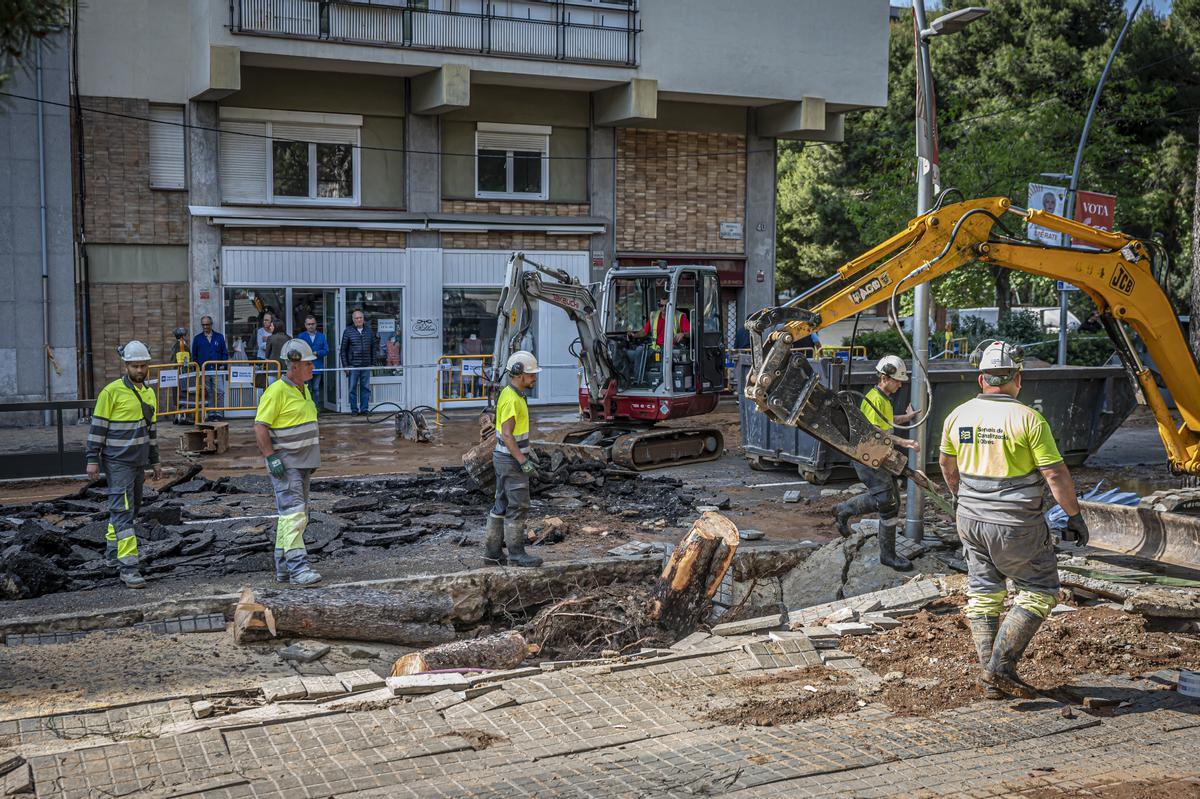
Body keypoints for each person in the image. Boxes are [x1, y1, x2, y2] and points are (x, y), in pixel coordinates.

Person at [939, 340, 1089, 700]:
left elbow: (947, 466)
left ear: (981, 379)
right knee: (1039, 589)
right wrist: (1074, 515)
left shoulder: (957, 415)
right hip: (1016, 523)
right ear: (1017, 378)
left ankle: (991, 682)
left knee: (984, 591)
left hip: (969, 519)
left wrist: (964, 499)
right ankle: (999, 669)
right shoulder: (1028, 419)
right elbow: (1054, 475)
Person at [85, 340, 161, 589]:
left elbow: (151, 431)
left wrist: (155, 461)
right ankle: (129, 568)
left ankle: (111, 553)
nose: (140, 370)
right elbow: (98, 429)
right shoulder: (111, 392)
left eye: (143, 366)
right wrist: (92, 460)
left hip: (138, 462)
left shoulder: (148, 393)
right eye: (135, 366)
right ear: (126, 365)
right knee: (122, 512)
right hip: (117, 462)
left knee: (132, 508)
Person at [833, 355, 919, 570]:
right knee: (886, 501)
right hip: (867, 456)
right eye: (897, 380)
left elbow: (887, 422)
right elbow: (875, 431)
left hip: (878, 455)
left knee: (893, 501)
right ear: (884, 377)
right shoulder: (874, 398)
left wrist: (905, 419)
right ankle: (886, 554)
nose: (900, 385)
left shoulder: (883, 399)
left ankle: (845, 511)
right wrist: (904, 441)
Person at [254, 338, 323, 587]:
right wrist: (271, 457)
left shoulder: (301, 389)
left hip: (302, 463)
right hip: (287, 464)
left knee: (291, 516)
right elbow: (260, 426)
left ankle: (283, 567)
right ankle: (298, 568)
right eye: (308, 364)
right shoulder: (277, 391)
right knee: (294, 515)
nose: (312, 368)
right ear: (294, 365)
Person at [485, 350, 544, 568]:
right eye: (531, 374)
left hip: (503, 458)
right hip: (510, 460)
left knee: (500, 504)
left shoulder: (512, 394)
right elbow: (508, 435)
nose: (534, 378)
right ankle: (517, 554)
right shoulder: (511, 399)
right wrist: (523, 461)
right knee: (518, 506)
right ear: (519, 374)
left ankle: (492, 554)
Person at [191, 315, 228, 421]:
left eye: (207, 324)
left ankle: (219, 413)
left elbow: (224, 353)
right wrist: (197, 368)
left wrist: (223, 364)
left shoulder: (219, 337)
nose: (205, 327)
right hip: (204, 370)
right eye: (203, 325)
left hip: (217, 370)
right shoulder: (197, 339)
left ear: (211, 324)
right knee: (209, 392)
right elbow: (194, 355)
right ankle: (211, 412)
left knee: (220, 391)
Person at [340, 309, 377, 415]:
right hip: (353, 366)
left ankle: (364, 409)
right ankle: (354, 409)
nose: (359, 320)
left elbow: (374, 348)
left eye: (360, 317)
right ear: (353, 319)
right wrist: (345, 366)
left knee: (365, 388)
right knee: (352, 389)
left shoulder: (369, 331)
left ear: (363, 319)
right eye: (356, 318)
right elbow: (343, 350)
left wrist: (373, 364)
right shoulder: (348, 331)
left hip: (366, 365)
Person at [295, 315, 328, 410]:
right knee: (306, 389)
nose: (311, 326)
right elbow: (297, 350)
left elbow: (326, 350)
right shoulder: (301, 336)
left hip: (317, 366)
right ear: (305, 325)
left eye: (313, 324)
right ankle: (307, 409)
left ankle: (316, 408)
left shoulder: (321, 336)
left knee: (316, 389)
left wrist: (317, 353)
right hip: (305, 368)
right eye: (309, 324)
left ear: (316, 324)